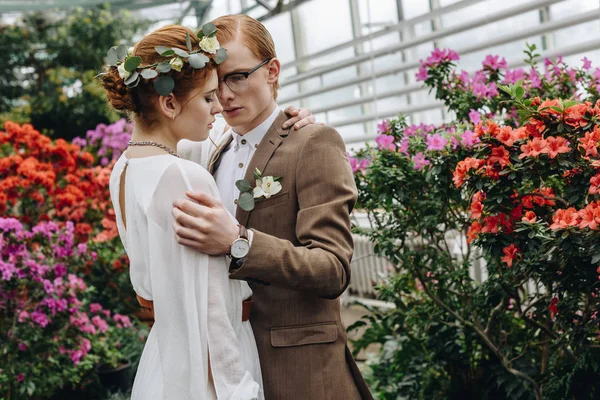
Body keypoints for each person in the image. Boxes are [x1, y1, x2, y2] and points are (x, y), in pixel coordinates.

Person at [172, 14, 374, 400]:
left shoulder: (313, 142)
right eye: (215, 83)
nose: (225, 95)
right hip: (234, 367)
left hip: (302, 371)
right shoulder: (214, 153)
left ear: (272, 71)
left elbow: (332, 269)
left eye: (237, 76)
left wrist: (239, 242)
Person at [104, 24, 271, 400]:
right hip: (206, 368)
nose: (219, 107)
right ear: (169, 103)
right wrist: (237, 388)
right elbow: (209, 304)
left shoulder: (126, 166)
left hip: (166, 354)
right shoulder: (181, 174)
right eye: (208, 98)